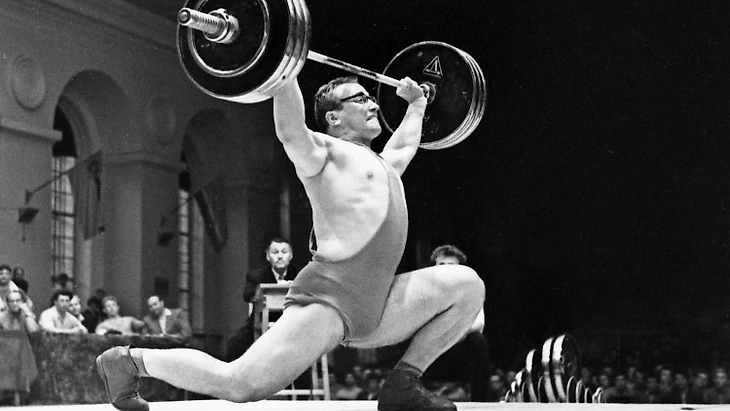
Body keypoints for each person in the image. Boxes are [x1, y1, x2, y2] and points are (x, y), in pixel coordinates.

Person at [96, 75, 485, 411]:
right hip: (330, 301)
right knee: (240, 384)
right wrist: (286, 73)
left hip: (379, 304)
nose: (373, 104)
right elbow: (289, 131)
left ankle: (402, 383)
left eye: (370, 97)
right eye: (360, 98)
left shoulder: (384, 164)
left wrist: (417, 105)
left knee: (466, 286)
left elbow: (404, 145)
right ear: (334, 117)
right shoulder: (323, 155)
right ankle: (129, 362)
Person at [419, 244, 490, 402]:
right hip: (432, 350)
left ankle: (481, 401)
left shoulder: (473, 289)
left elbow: (478, 324)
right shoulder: (424, 290)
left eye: (451, 265)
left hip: (459, 349)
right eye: (441, 264)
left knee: (478, 341)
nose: (446, 268)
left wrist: (446, 330)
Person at [226, 238, 299, 360]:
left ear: (291, 255)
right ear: (268, 256)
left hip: (292, 323)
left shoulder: (299, 275)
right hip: (261, 321)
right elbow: (247, 295)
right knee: (235, 344)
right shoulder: (257, 275)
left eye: (284, 252)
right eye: (275, 252)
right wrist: (260, 291)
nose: (280, 256)